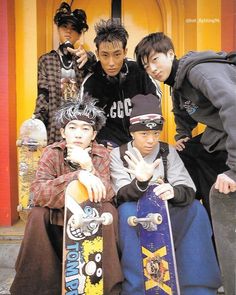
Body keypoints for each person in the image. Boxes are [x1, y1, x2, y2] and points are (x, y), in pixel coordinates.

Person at [110, 93, 221, 295]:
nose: (151, 140)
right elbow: (120, 195)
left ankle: (198, 286)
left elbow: (187, 187)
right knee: (126, 213)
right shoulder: (119, 154)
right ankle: (138, 289)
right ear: (132, 132)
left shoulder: (167, 151)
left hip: (166, 208)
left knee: (195, 209)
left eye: (156, 133)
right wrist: (142, 182)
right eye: (144, 134)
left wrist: (173, 191)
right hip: (135, 210)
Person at [10, 96, 123, 295]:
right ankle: (40, 287)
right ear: (63, 132)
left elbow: (106, 193)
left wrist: (88, 167)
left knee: (109, 210)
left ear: (93, 134)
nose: (78, 134)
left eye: (85, 129)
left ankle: (104, 286)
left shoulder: (102, 154)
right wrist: (77, 176)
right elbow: (37, 192)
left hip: (91, 220)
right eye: (72, 127)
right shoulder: (51, 153)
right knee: (37, 213)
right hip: (58, 219)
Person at [134, 32, 236, 216]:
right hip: (222, 133)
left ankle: (219, 213)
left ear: (171, 54)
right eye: (147, 66)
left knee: (205, 160)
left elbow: (233, 106)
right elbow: (183, 112)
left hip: (231, 135)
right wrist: (183, 135)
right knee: (183, 152)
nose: (153, 69)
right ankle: (202, 214)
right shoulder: (178, 85)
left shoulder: (199, 71)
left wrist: (234, 170)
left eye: (155, 59)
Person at [80, 19, 161, 148]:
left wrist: (142, 137)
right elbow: (85, 122)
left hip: (140, 145)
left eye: (117, 54)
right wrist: (100, 144)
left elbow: (155, 102)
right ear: (97, 54)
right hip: (106, 149)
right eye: (105, 55)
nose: (111, 63)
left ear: (125, 52)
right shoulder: (91, 82)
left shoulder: (139, 72)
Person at [34, 2, 96, 144]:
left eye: (74, 29)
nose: (68, 32)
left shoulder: (85, 58)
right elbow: (43, 95)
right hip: (54, 126)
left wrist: (89, 60)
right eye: (64, 27)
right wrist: (37, 123)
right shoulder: (46, 60)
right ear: (58, 28)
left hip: (80, 126)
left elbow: (97, 82)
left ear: (79, 34)